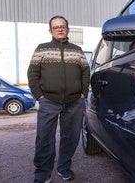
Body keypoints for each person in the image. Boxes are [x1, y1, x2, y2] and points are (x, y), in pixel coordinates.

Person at [27, 15, 90, 183]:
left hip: (74, 102)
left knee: (70, 137)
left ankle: (64, 167)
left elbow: (85, 72)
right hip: (48, 100)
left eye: (63, 26)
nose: (60, 29)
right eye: (56, 27)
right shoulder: (42, 49)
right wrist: (39, 95)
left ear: (68, 29)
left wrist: (83, 93)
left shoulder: (77, 50)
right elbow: (32, 73)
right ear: (50, 31)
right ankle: (42, 173)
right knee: (45, 137)